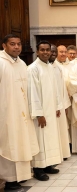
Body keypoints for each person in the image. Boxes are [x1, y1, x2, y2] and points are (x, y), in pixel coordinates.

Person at [0, 34, 39, 190]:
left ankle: (20, 176)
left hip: (22, 112)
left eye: (18, 44)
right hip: (7, 114)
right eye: (12, 44)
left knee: (22, 143)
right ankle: (9, 180)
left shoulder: (22, 64)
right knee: (10, 144)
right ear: (4, 46)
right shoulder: (1, 63)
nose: (16, 47)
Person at [27, 40, 63, 181]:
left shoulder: (50, 67)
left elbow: (55, 89)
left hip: (51, 110)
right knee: (40, 139)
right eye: (42, 50)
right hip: (41, 113)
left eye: (47, 49)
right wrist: (39, 114)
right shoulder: (33, 69)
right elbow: (33, 93)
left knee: (50, 138)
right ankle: (38, 168)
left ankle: (48, 164)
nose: (46, 52)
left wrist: (57, 106)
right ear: (37, 51)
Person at [49, 44, 71, 161]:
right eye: (50, 51)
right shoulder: (39, 68)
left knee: (62, 129)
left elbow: (62, 87)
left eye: (53, 51)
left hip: (60, 104)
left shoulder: (57, 68)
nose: (51, 54)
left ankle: (62, 153)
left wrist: (65, 104)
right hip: (49, 106)